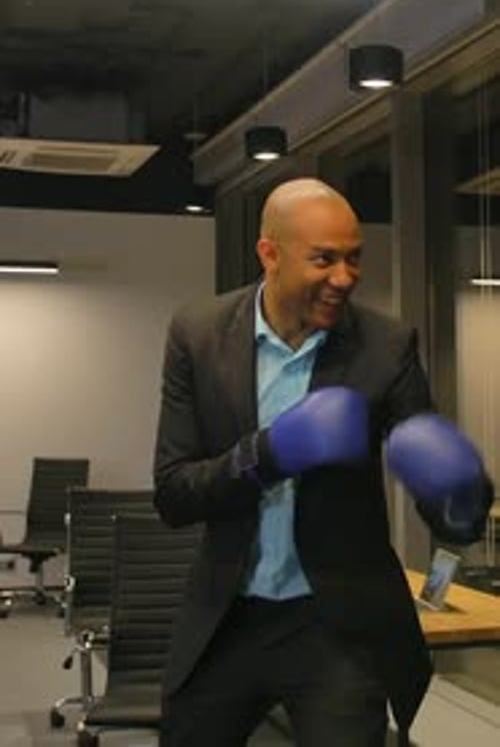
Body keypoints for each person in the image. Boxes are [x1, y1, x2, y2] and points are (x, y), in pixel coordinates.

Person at [153, 177, 492, 747]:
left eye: (353, 258)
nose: (344, 277)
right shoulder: (198, 334)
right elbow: (173, 493)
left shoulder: (386, 346)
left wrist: (460, 496)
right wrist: (269, 455)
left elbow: (448, 509)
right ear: (270, 254)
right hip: (228, 617)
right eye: (324, 259)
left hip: (337, 623)